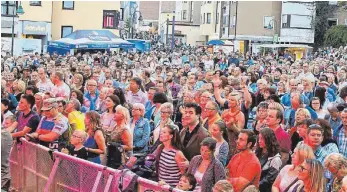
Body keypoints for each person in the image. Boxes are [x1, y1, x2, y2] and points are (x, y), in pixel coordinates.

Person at [255, 128, 282, 192]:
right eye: (259, 138)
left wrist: (254, 187)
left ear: (269, 140)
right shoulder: (256, 153)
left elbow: (269, 180)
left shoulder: (276, 159)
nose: (259, 141)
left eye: (262, 139)